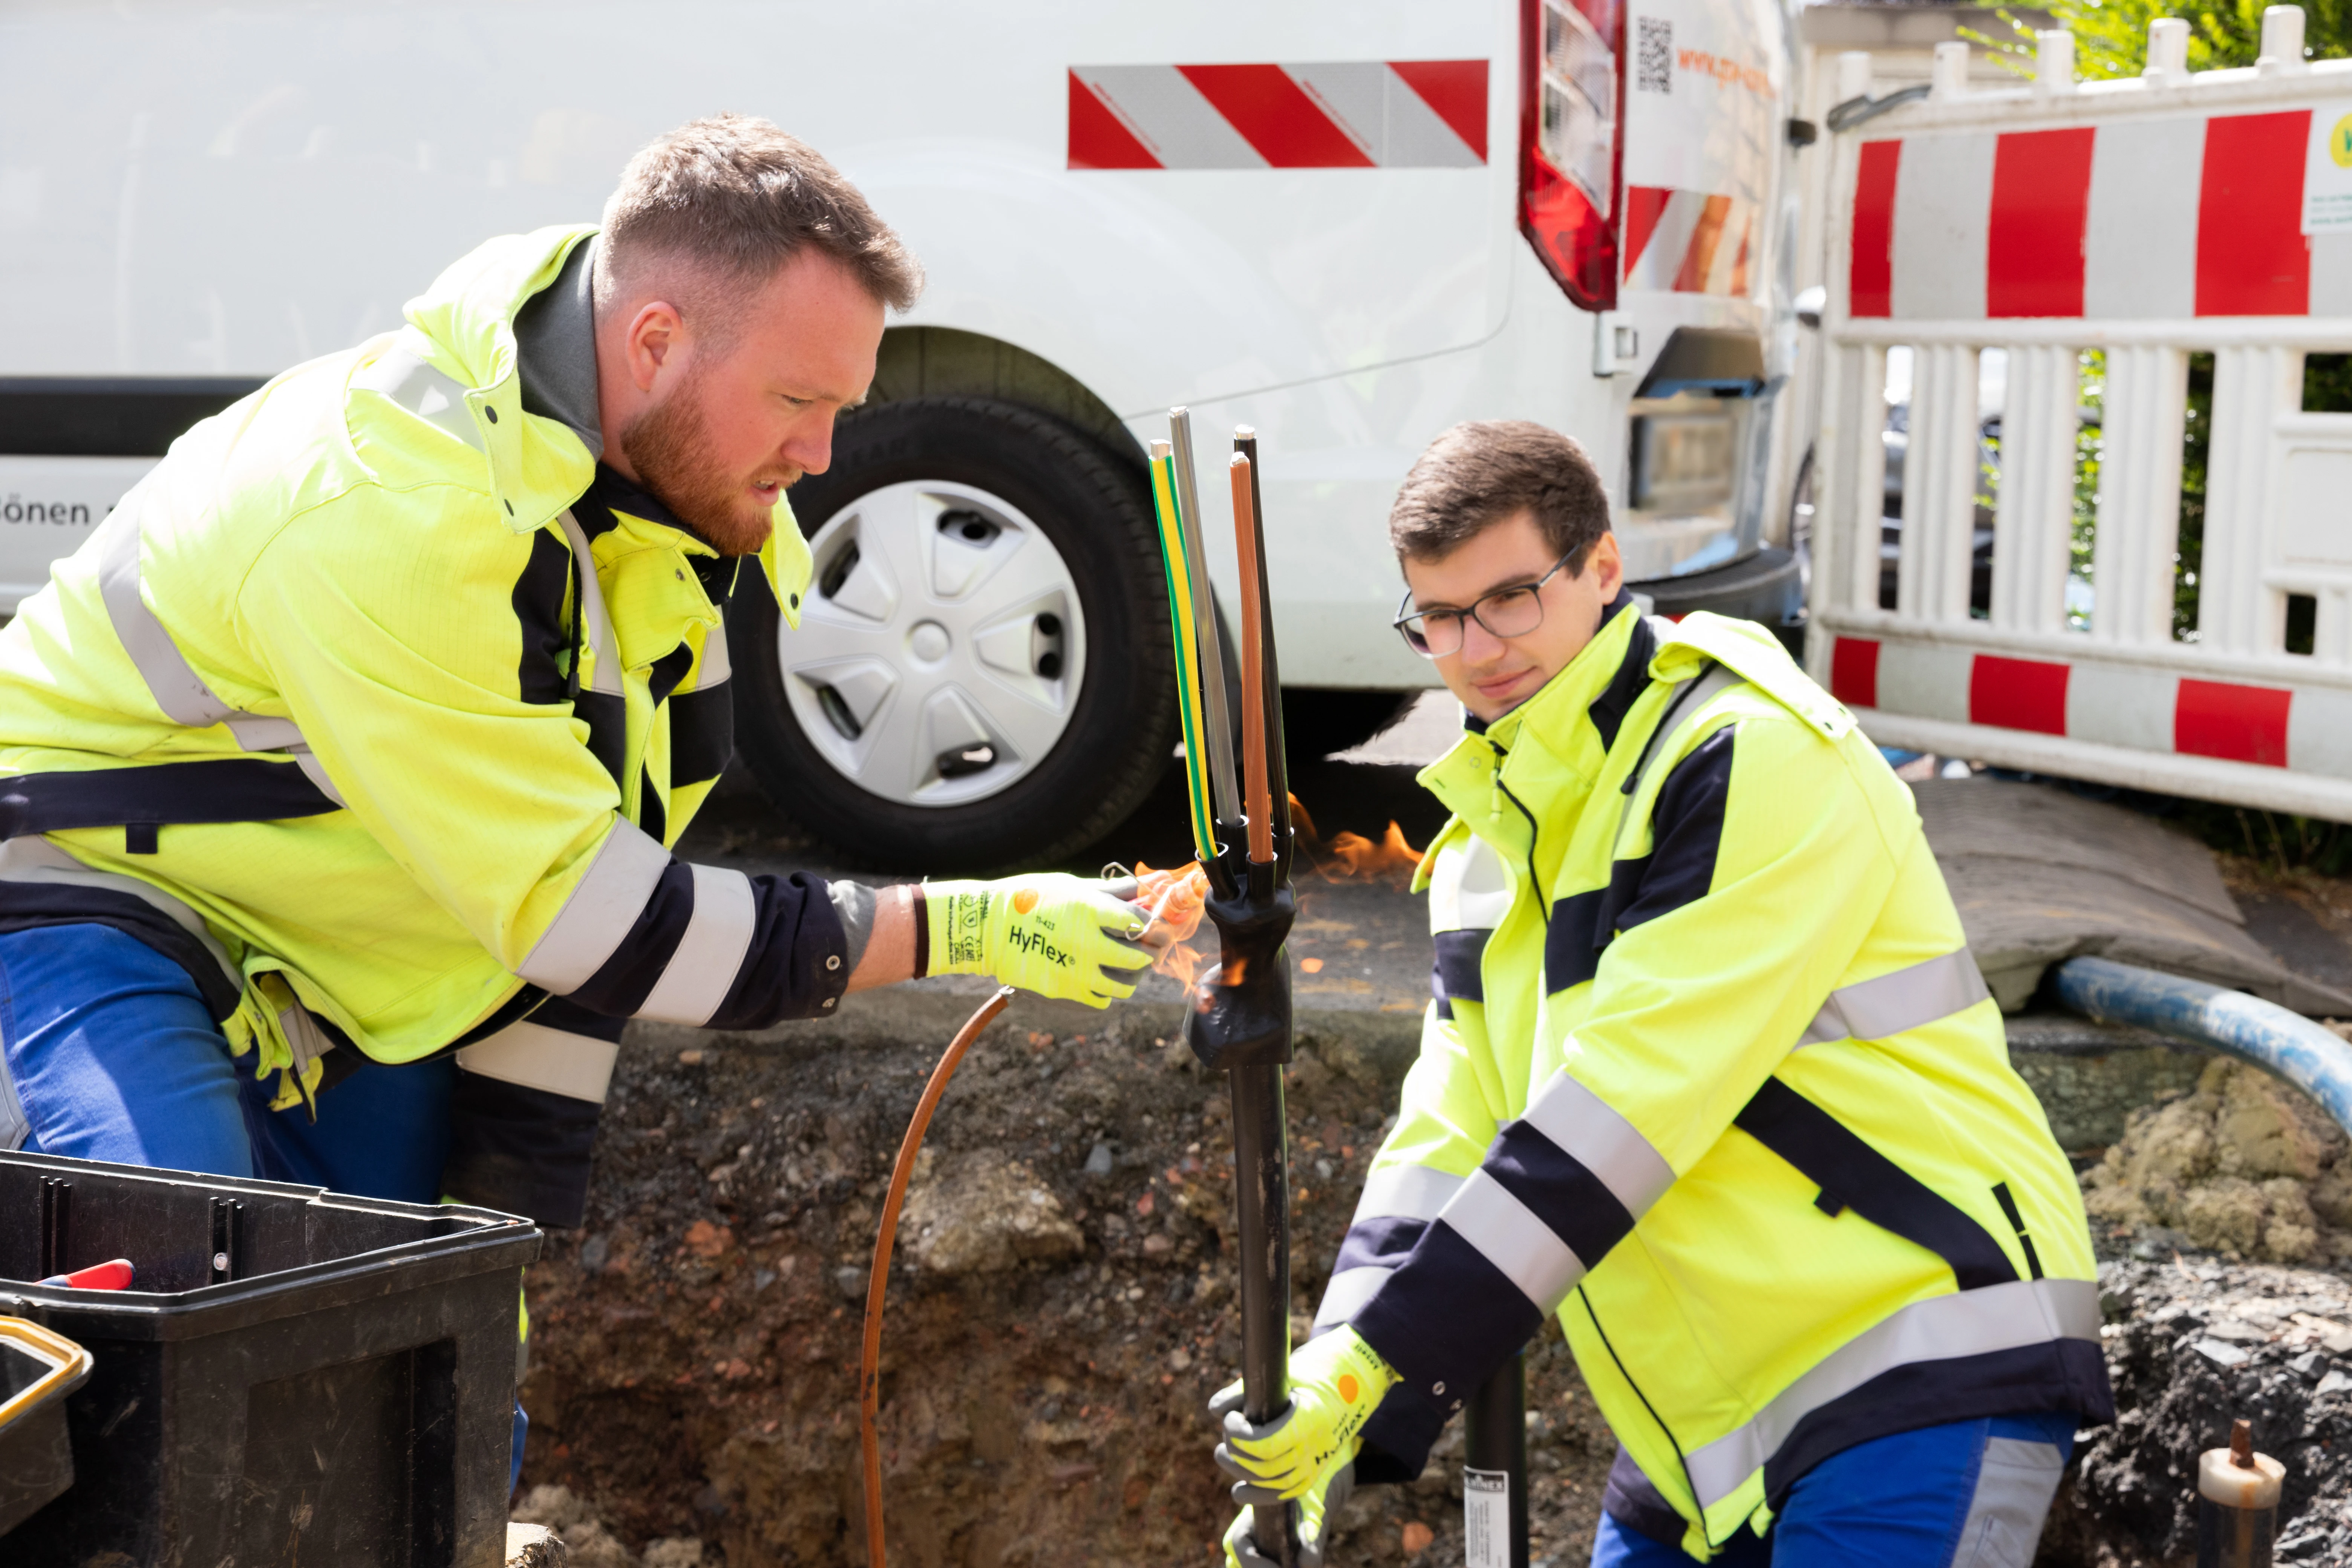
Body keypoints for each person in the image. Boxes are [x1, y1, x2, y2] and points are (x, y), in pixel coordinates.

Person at [0, 116, 1159, 1241]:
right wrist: (961, 926)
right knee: (179, 1288)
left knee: (404, 1353)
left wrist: (496, 1238)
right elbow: (602, 928)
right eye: (798, 402)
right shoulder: (404, 519)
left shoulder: (657, 492)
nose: (821, 457)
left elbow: (591, 898)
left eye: (840, 409)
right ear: (653, 342)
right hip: (100, 886)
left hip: (341, 942)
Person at [1211, 422, 2111, 1567]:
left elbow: (1621, 1112)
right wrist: (1332, 1382)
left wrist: (1388, 1361)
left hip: (1922, 1354)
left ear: (1602, 569)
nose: (1476, 649)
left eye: (1512, 598)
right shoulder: (1496, 843)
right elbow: (1446, 1136)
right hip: (1706, 1431)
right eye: (1439, 616)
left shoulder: (1745, 755)